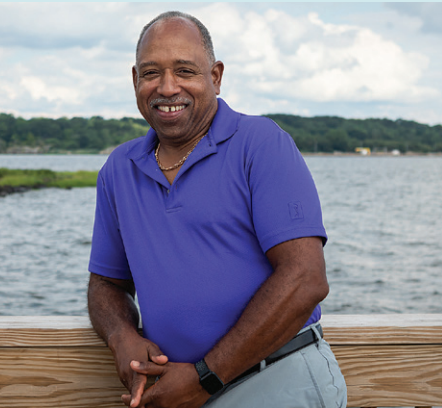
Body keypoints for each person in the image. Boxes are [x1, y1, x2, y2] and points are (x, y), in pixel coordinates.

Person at [87, 10, 347, 408]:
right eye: (151, 72)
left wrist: (205, 378)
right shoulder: (118, 170)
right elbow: (106, 284)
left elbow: (306, 279)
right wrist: (122, 336)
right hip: (177, 391)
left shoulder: (261, 144)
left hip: (279, 380)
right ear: (135, 79)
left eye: (185, 70)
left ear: (216, 76)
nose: (168, 87)